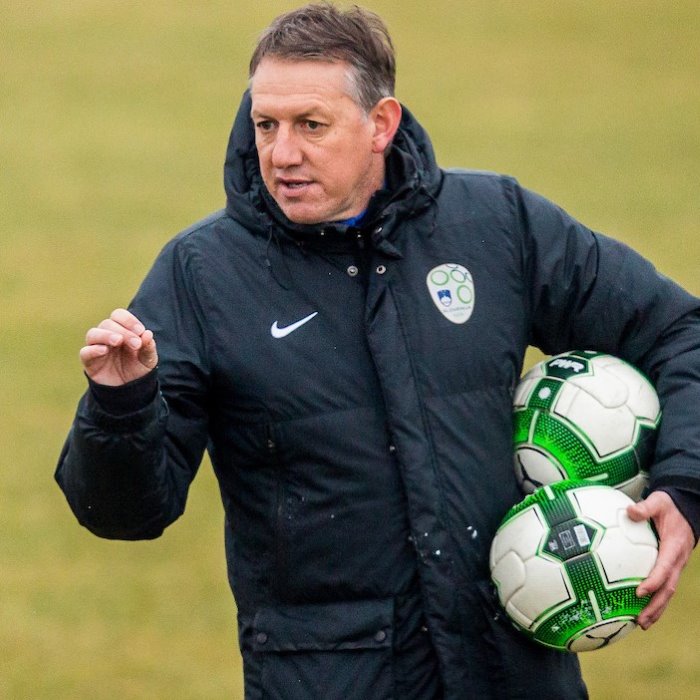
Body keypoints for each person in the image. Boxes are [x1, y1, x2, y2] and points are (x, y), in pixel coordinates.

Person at [56, 4, 699, 698]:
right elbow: (125, 514)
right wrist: (121, 405)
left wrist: (684, 485)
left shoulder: (497, 225)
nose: (282, 153)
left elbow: (678, 331)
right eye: (266, 125)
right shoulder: (202, 274)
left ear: (380, 125)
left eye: (311, 125)